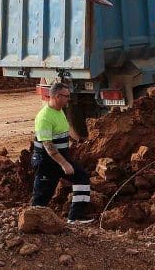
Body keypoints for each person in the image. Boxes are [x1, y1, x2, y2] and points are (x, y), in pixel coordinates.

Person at [30, 81, 94, 224]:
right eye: (66, 96)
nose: (68, 99)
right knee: (42, 195)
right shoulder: (44, 117)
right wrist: (64, 164)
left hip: (59, 158)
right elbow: (48, 146)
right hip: (46, 161)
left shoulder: (59, 111)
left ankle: (75, 217)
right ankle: (32, 222)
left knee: (81, 177)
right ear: (57, 96)